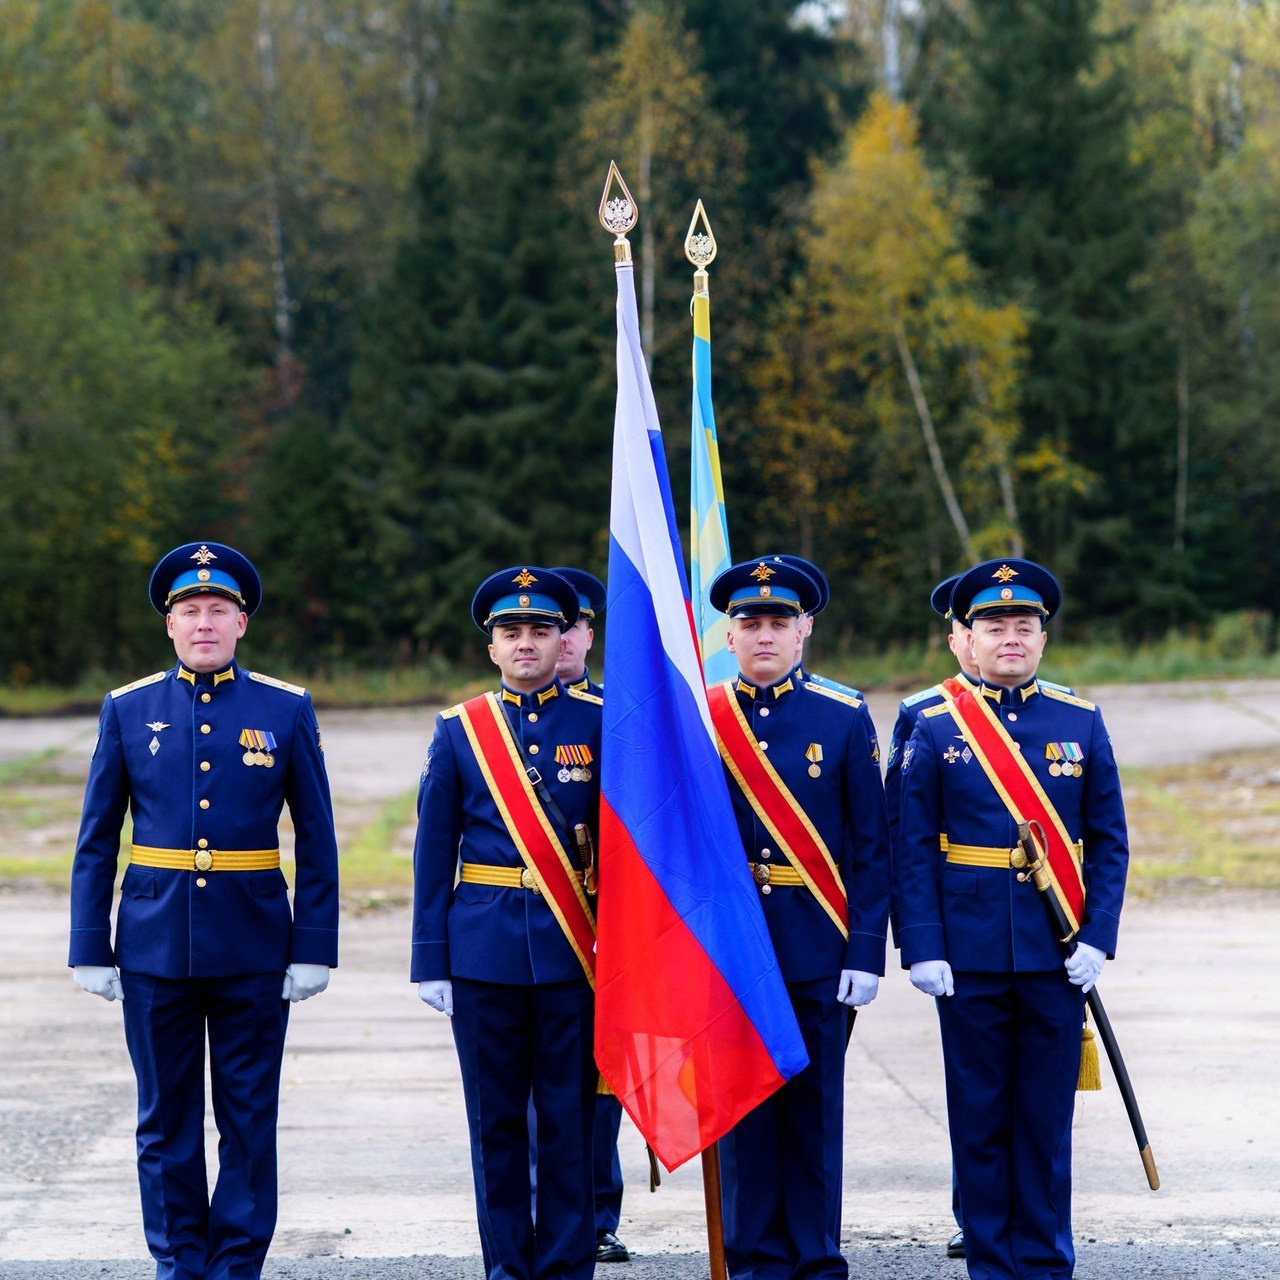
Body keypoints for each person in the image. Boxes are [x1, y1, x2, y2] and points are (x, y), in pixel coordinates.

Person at [68, 541, 340, 1280]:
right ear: (169, 625)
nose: (204, 623)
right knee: (166, 1122)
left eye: (219, 610)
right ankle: (179, 1262)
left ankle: (236, 1264)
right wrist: (90, 943)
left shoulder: (284, 708)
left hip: (255, 943)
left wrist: (314, 943)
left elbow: (317, 835)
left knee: (249, 1119)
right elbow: (98, 836)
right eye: (190, 611)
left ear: (242, 622)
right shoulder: (128, 708)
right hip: (153, 946)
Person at [895, 558, 1130, 1280]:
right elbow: (908, 843)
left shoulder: (1079, 719)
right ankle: (991, 1263)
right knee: (980, 1116)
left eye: (1023, 625)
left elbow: (1110, 840)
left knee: (1045, 1121)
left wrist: (1098, 939)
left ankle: (1046, 1260)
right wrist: (923, 948)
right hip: (966, 954)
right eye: (993, 625)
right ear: (967, 636)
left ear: (1043, 637)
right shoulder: (929, 721)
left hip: (1056, 949)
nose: (1010, 637)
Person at [412, 566, 603, 1280]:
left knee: (567, 1124)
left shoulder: (600, 722)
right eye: (511, 632)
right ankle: (506, 1270)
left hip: (572, 954)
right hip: (483, 951)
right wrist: (430, 958)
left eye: (541, 630)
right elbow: (433, 852)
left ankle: (566, 1268)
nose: (526, 643)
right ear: (492, 647)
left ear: (566, 639)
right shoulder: (461, 730)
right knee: (494, 1127)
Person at [706, 556, 892, 1280]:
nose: (764, 634)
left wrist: (865, 953)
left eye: (779, 621)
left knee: (813, 1114)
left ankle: (817, 1260)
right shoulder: (702, 716)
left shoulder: (842, 715)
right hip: (730, 948)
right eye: (749, 622)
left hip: (818, 943)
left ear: (805, 628)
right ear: (728, 632)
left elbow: (871, 847)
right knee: (743, 1114)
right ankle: (752, 1261)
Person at [551, 565, 629, 1265]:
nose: (562, 638)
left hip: (612, 926)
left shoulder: (614, 714)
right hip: (546, 925)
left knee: (601, 1079)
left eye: (571, 625)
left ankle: (598, 1209)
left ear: (587, 634)